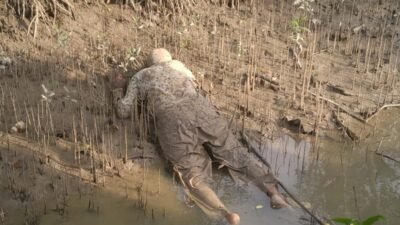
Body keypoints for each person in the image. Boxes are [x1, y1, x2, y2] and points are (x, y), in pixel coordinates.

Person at [112, 48, 289, 225]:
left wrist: (117, 90)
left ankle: (227, 214)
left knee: (191, 174)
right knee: (237, 154)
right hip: (201, 110)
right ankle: (274, 193)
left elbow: (123, 111)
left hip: (172, 118)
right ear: (169, 59)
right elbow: (195, 84)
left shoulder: (140, 76)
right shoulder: (179, 66)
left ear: (148, 64)